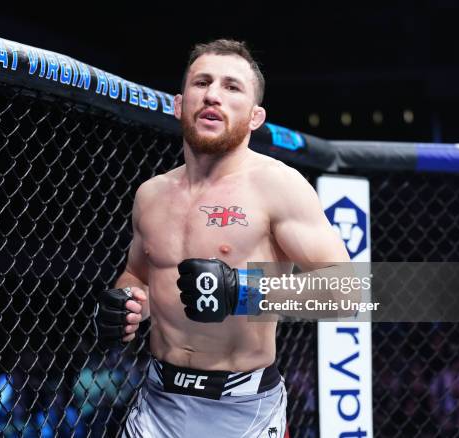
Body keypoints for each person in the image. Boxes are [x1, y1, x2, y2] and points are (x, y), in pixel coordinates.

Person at [95, 39, 350, 437]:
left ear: (255, 116)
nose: (213, 95)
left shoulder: (279, 186)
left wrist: (241, 291)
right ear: (180, 105)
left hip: (244, 410)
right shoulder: (151, 195)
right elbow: (138, 275)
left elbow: (348, 292)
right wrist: (126, 305)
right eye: (202, 83)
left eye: (232, 87)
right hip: (157, 401)